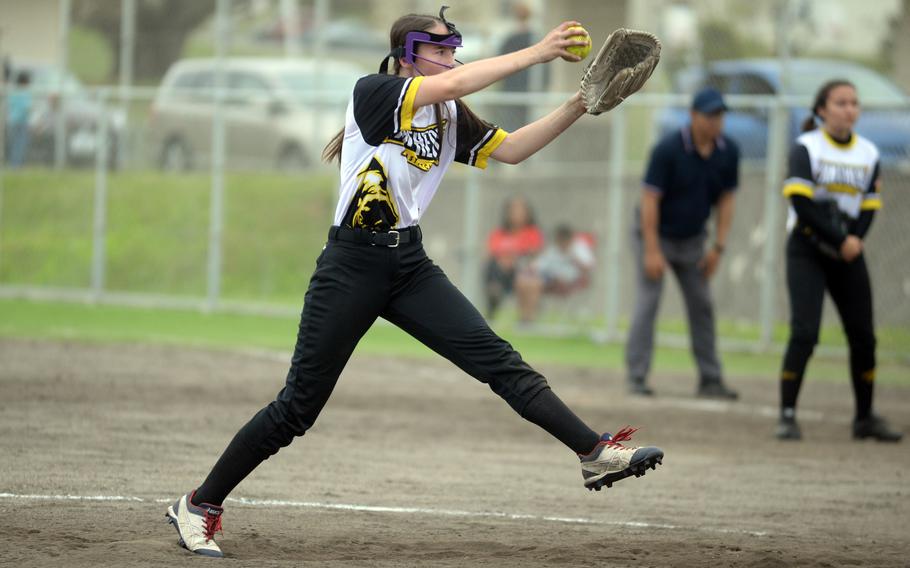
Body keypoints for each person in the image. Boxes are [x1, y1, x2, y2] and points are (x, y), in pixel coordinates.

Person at [164, 8, 664, 557]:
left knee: (499, 361)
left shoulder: (449, 113)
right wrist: (538, 52)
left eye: (455, 49)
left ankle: (593, 452)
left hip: (409, 266)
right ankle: (200, 504)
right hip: (350, 265)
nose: (452, 58)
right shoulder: (374, 91)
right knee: (296, 409)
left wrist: (578, 104)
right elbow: (451, 83)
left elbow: (514, 150)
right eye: (441, 49)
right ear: (409, 54)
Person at [775, 80, 902, 443]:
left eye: (854, 103)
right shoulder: (806, 148)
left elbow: (868, 206)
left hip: (847, 252)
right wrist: (841, 239)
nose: (849, 109)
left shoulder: (868, 153)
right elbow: (801, 204)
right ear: (822, 110)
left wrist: (855, 239)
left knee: (864, 336)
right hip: (808, 248)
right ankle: (786, 414)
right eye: (841, 102)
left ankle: (864, 417)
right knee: (805, 332)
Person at [625, 87, 739, 399]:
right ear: (693, 116)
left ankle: (711, 379)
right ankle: (637, 376)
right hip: (655, 234)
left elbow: (727, 200)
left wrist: (718, 247)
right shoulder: (669, 148)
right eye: (710, 114)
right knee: (648, 302)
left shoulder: (728, 151)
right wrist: (651, 250)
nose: (716, 121)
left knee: (702, 304)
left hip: (692, 241)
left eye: (720, 115)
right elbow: (650, 199)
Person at [515, 223, 594, 323]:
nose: (561, 244)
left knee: (534, 284)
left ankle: (529, 319)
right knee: (523, 282)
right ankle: (524, 317)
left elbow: (589, 268)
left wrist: (573, 257)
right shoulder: (554, 250)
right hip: (550, 279)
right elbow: (538, 266)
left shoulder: (579, 248)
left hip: (571, 282)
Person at [484, 195, 544, 319]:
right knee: (494, 266)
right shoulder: (499, 233)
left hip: (523, 272)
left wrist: (514, 258)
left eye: (521, 210)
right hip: (499, 272)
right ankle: (494, 294)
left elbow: (535, 253)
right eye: (513, 210)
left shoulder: (532, 232)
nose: (517, 214)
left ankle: (526, 319)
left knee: (527, 278)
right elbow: (491, 252)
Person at [496, 2, 549, 131]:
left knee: (518, 128)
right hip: (514, 94)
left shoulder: (532, 39)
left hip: (522, 94)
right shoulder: (533, 39)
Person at [5, 70, 33, 168]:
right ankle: (16, 165)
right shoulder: (25, 92)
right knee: (20, 144)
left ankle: (13, 164)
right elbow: (27, 107)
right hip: (21, 122)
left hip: (12, 120)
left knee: (14, 144)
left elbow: (10, 105)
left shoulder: (13, 92)